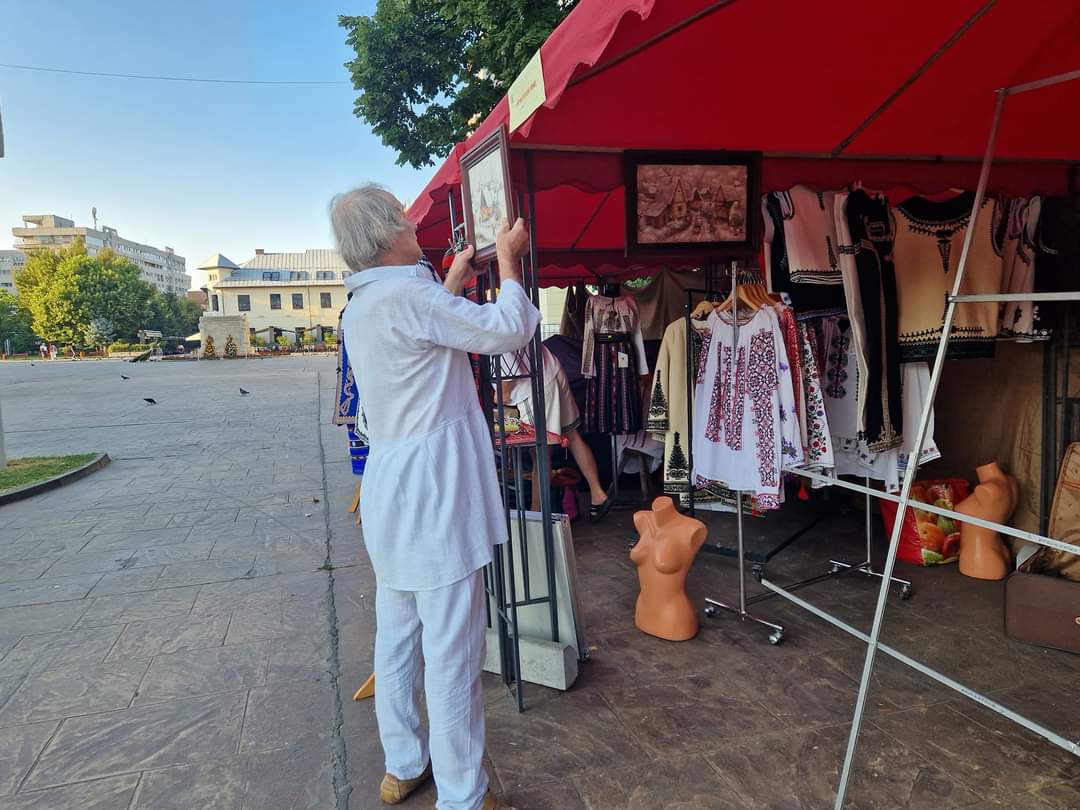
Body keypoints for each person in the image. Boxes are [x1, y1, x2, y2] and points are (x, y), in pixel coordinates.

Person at [332, 183, 536, 810]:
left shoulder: (364, 305)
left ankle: (403, 765)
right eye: (401, 216)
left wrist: (449, 280)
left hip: (393, 487)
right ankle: (463, 796)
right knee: (452, 650)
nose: (411, 222)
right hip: (434, 493)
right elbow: (510, 329)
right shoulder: (410, 297)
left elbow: (422, 342)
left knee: (397, 634)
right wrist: (509, 262)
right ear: (385, 234)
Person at [499, 345, 610, 519]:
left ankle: (536, 514)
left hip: (534, 386)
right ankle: (598, 493)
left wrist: (502, 395)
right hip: (551, 369)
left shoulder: (486, 334)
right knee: (572, 436)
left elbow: (509, 369)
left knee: (539, 452)